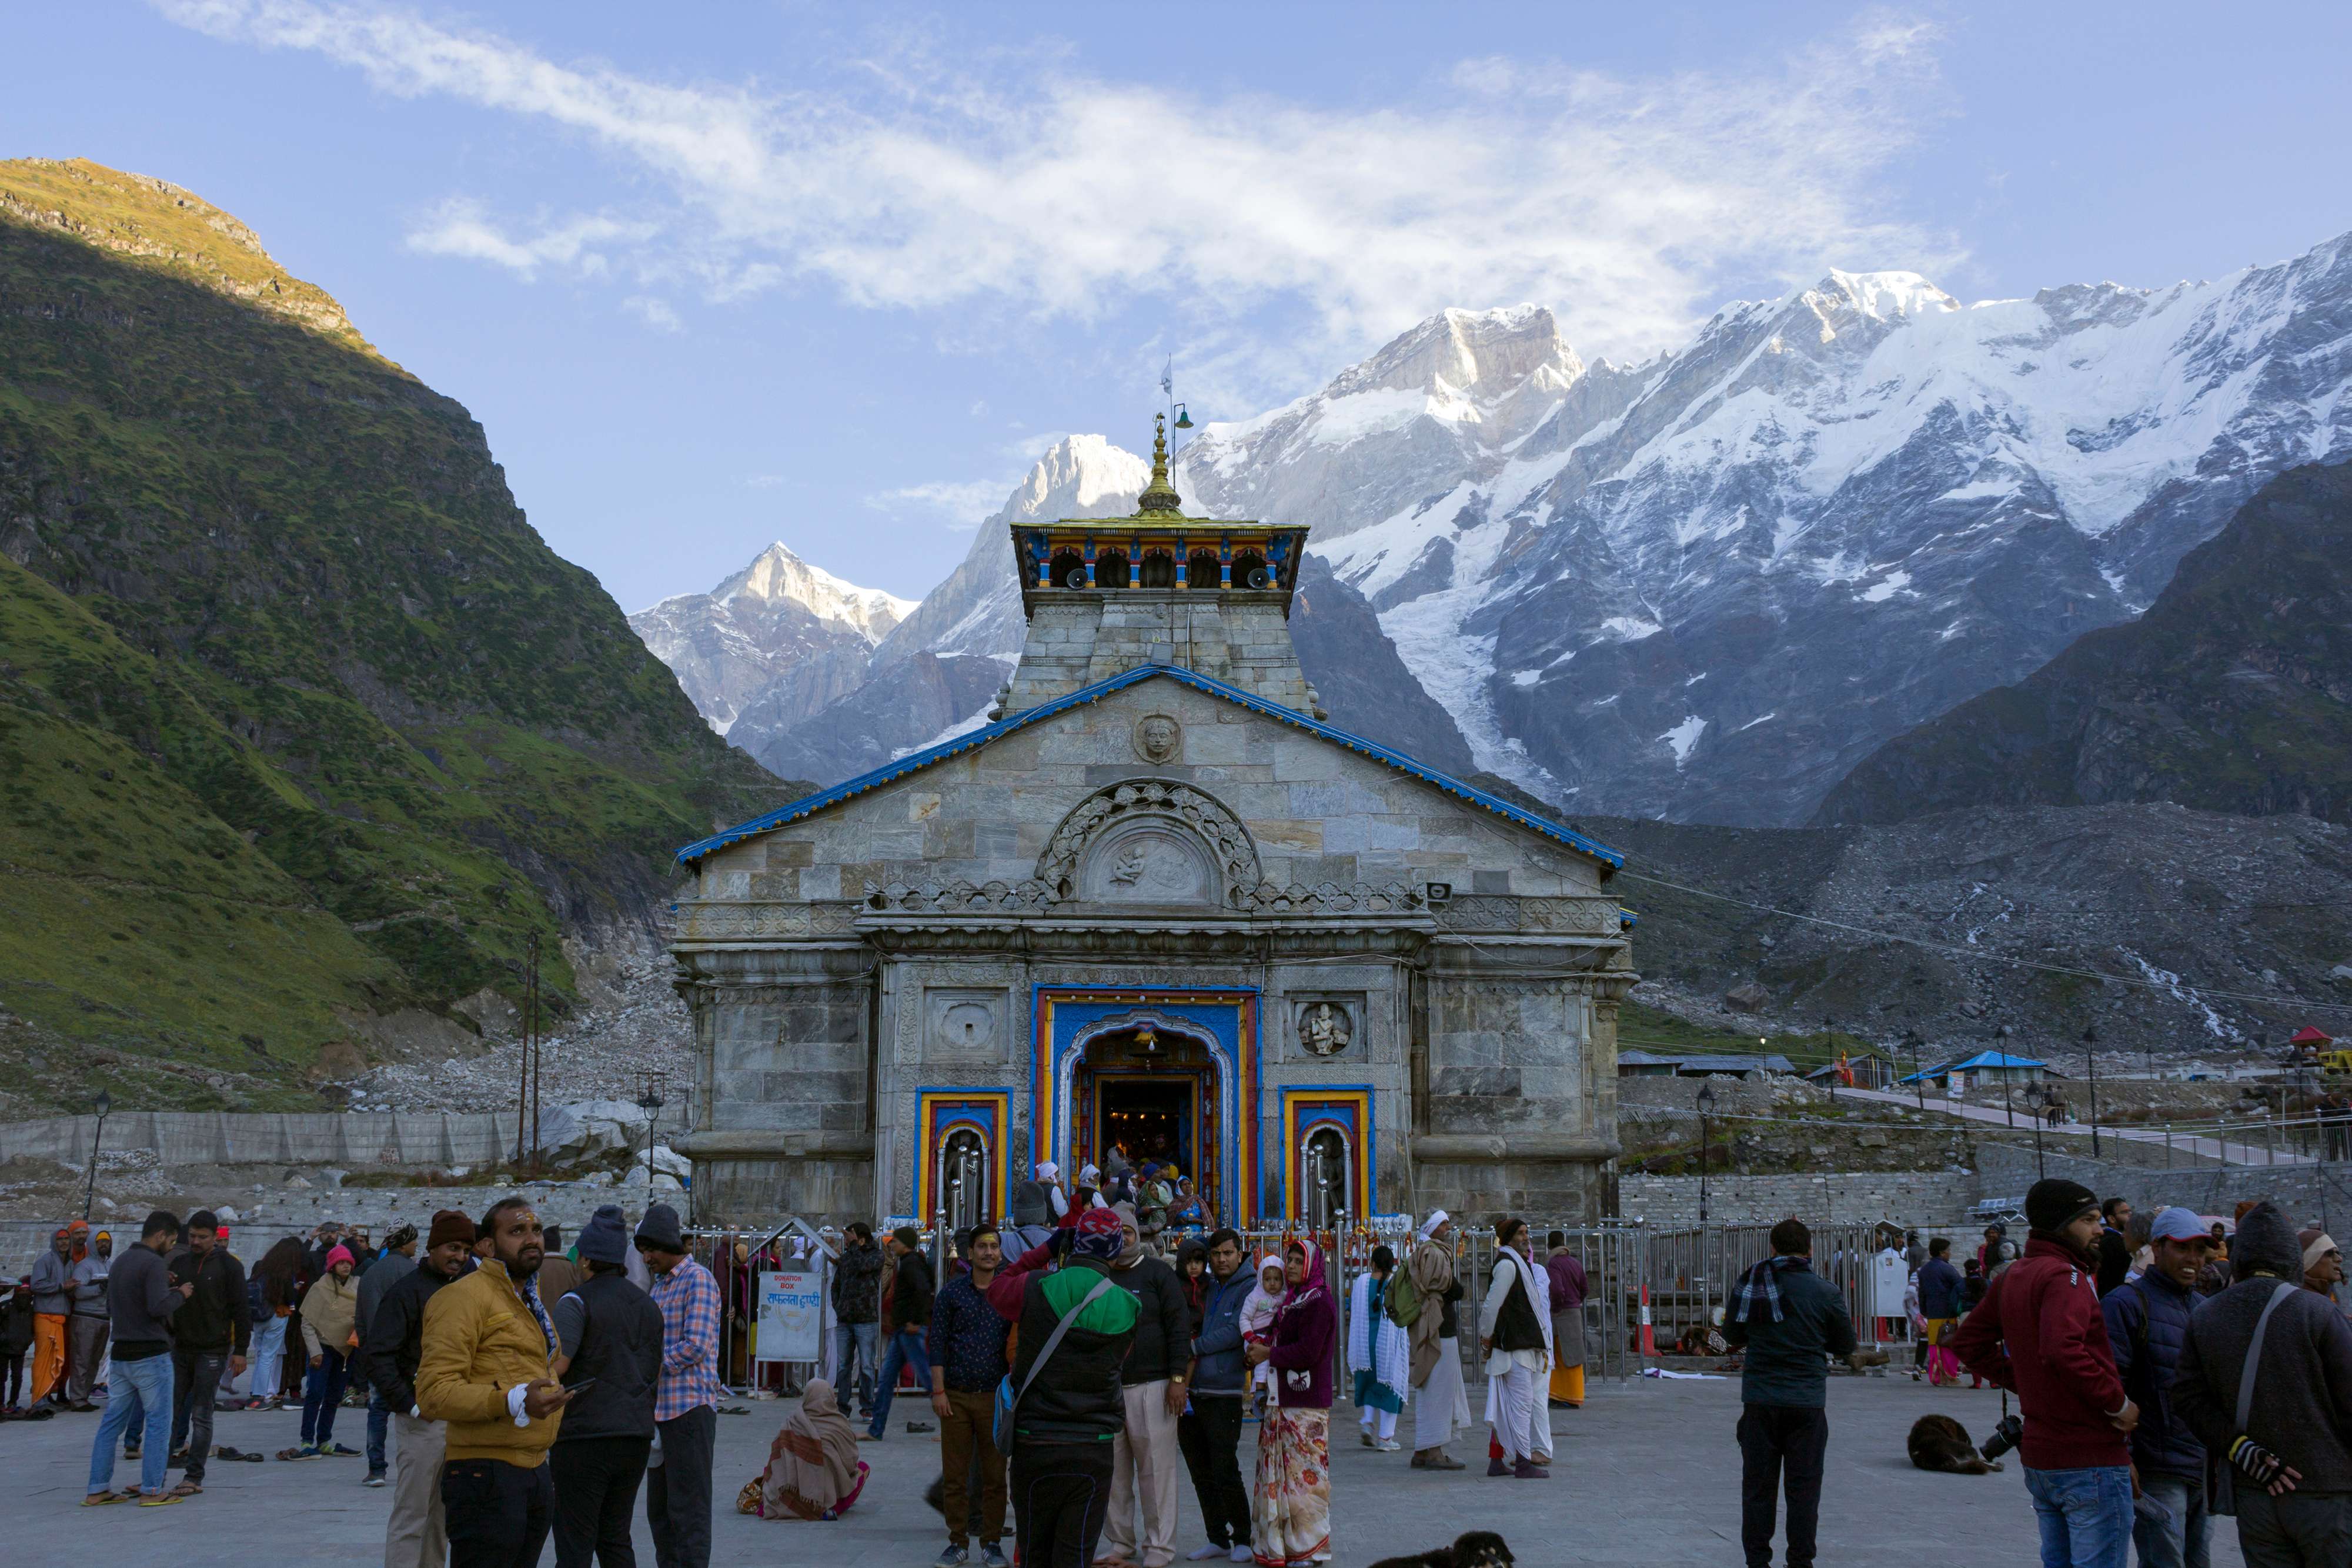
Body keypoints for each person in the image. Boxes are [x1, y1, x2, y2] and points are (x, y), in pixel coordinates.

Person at [1949, 1178, 2139, 1568]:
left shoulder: (2014, 1275)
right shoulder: (2064, 1276)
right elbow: (2061, 1347)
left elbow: (1968, 1343)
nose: (2099, 1229)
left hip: (2043, 1457)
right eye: (2088, 1219)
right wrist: (2117, 1401)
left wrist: (2029, 1380)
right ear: (2060, 1224)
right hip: (2088, 1455)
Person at [2173, 1200, 2352, 1566]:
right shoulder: (2318, 1312)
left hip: (2256, 1490)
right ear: (2291, 1257)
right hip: (2327, 1495)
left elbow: (2189, 1400)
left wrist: (2241, 1450)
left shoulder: (2205, 1315)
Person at [417, 1196, 576, 1566]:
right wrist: (513, 1400)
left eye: (536, 1230)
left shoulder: (527, 1298)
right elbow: (433, 1393)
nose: (532, 1239)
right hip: (485, 1475)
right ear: (487, 1245)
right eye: (517, 1231)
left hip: (534, 1469)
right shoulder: (461, 1298)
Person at [1007, 1205, 1139, 1568]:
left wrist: (1047, 1250)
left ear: (1074, 1244)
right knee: (1076, 1554)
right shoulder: (1129, 1306)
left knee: (1034, 1551)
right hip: (1092, 1444)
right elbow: (1119, 1358)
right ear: (1115, 1251)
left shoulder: (1037, 1287)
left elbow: (996, 1287)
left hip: (1035, 1439)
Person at [1722, 1217, 1858, 1568]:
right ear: (1810, 1250)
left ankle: (1757, 1561)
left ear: (1772, 1249)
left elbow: (1732, 1338)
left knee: (1757, 1490)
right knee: (1804, 1491)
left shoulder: (1751, 1283)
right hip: (1807, 1403)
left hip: (1761, 1400)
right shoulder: (1826, 1292)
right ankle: (1800, 1560)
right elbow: (1846, 1345)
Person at [2100, 1206, 2215, 1568]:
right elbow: (2109, 1387)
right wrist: (2123, 1457)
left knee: (2198, 1560)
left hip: (2202, 1465)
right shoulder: (2125, 1304)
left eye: (2200, 1250)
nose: (2193, 1260)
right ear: (2158, 1247)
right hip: (2155, 1467)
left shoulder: (2205, 1309)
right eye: (2183, 1248)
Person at [549, 1204, 664, 1568]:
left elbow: (560, 1366)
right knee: (615, 1537)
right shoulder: (648, 1306)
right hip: (634, 1435)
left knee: (575, 1540)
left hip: (584, 1435)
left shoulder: (575, 1302)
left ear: (584, 1261)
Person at [368, 1209, 474, 1568]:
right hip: (422, 1421)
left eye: (465, 1250)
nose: (459, 1257)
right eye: (452, 1247)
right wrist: (411, 1406)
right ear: (432, 1248)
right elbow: (379, 1356)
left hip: (460, 1421)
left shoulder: (469, 1290)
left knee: (442, 1517)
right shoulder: (406, 1292)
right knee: (412, 1514)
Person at [1103, 1202, 1192, 1568]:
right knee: (1113, 1473)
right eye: (1114, 1232)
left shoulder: (1158, 1274)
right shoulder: (1101, 1275)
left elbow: (1179, 1327)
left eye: (1126, 1231)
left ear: (1137, 1235)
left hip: (1154, 1387)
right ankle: (1120, 1542)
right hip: (1109, 1389)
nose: (1121, 1238)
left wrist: (1177, 1380)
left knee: (1156, 1472)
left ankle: (1159, 1547)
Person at [637, 1202, 724, 1568]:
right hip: (660, 1412)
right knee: (660, 1511)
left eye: (650, 1250)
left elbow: (697, 1344)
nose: (645, 1258)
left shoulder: (698, 1279)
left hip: (689, 1411)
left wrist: (652, 1367)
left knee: (689, 1510)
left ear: (666, 1245)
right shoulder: (658, 1288)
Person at [84, 1210, 191, 1506]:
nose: (171, 1246)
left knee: (111, 1423)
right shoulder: (153, 1263)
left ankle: (97, 1489)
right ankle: (153, 1490)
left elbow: (112, 1307)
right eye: (170, 1240)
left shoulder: (120, 1262)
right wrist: (181, 1294)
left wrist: (162, 1287)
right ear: (160, 1235)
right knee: (158, 1423)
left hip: (121, 1355)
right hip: (150, 1356)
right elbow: (158, 1308)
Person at [928, 1223, 1013, 1567]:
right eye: (982, 1247)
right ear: (970, 1253)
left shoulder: (1008, 1293)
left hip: (995, 1399)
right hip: (957, 1398)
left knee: (994, 1477)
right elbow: (937, 1344)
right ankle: (957, 1541)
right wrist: (938, 1391)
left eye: (994, 1246)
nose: (988, 1252)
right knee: (956, 1475)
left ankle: (991, 1542)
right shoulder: (952, 1294)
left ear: (1000, 1252)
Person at [1247, 1237, 1336, 1566]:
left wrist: (1269, 1353)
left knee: (1306, 1482)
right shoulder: (1291, 1301)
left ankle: (1311, 1549)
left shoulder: (1320, 1302)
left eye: (1300, 1260)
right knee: (1282, 1479)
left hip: (1306, 1403)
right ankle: (1283, 1545)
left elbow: (1309, 1352)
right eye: (1291, 1260)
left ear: (1313, 1265)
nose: (1295, 1265)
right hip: (1281, 1398)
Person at [1181, 1229, 1256, 1564]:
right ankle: (1216, 1537)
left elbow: (1237, 1331)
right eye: (1216, 1254)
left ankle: (1242, 1536)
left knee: (1225, 1467)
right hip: (1193, 1392)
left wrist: (1195, 1345)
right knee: (1199, 1470)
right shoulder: (1206, 1287)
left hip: (1224, 1391)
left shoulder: (1251, 1287)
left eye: (1228, 1253)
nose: (1222, 1260)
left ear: (1240, 1254)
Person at [163, 1209, 252, 1487]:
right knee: (169, 1414)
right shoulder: (180, 1263)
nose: (196, 1242)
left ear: (216, 1237)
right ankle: (156, 1477)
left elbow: (242, 1310)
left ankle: (193, 1476)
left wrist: (241, 1350)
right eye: (192, 1236)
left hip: (213, 1351)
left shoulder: (229, 1267)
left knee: (201, 1415)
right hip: (180, 1349)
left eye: (203, 1237)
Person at [1477, 1216, 1552, 1479]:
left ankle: (1496, 1461)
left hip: (1514, 1344)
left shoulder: (1516, 1264)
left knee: (1502, 1405)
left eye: (1527, 1232)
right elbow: (1491, 1305)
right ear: (1509, 1237)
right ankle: (1522, 1463)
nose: (1526, 1237)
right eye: (1521, 1233)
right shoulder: (1508, 1265)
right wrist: (1486, 1336)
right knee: (1521, 1406)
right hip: (1513, 1346)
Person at [1405, 1210, 1470, 1469]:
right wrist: (1458, 1288)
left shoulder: (1429, 1251)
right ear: (1432, 1228)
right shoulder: (1433, 1252)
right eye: (1443, 1224)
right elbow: (1444, 1285)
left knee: (1431, 1389)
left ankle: (1424, 1449)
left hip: (1435, 1326)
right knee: (1439, 1391)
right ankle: (1434, 1452)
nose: (1448, 1227)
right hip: (1439, 1329)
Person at [356, 1225, 420, 1485]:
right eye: (414, 1241)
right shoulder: (414, 1273)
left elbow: (360, 1317)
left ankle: (377, 1470)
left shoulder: (371, 1274)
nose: (417, 1245)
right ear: (404, 1244)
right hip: (411, 1356)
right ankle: (414, 1470)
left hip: (378, 1354)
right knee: (413, 1413)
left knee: (378, 1411)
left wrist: (367, 1348)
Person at [750, 1377, 867, 1520]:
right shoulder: (840, 1426)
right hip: (826, 1503)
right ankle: (825, 1504)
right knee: (863, 1469)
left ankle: (796, 1506)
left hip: (786, 1498)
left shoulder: (791, 1423)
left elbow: (774, 1463)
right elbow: (850, 1463)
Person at [289, 1241, 362, 1460]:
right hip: (322, 1349)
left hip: (346, 1350)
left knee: (333, 1397)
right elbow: (308, 1323)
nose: (345, 1266)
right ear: (332, 1266)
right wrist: (315, 1352)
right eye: (340, 1263)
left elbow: (362, 1315)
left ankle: (324, 1441)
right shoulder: (320, 1289)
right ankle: (306, 1441)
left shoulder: (358, 1286)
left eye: (348, 1262)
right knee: (315, 1394)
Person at [867, 1224, 937, 1440]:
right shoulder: (910, 1262)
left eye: (895, 1241)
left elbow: (923, 1291)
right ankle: (876, 1430)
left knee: (928, 1379)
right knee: (887, 1380)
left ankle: (956, 1426)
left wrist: (916, 1321)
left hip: (909, 1330)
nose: (892, 1244)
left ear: (904, 1243)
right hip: (903, 1330)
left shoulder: (911, 1264)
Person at [1346, 1245, 1408, 1449]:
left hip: (1365, 1344)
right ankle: (1385, 1437)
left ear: (1372, 1262)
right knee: (1390, 1388)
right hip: (1387, 1345)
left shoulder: (1362, 1280)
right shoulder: (1395, 1282)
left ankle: (1367, 1423)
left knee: (1370, 1385)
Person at [830, 1222, 884, 1418]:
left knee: (867, 1366)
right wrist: (838, 1306)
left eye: (848, 1238)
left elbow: (863, 1265)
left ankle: (867, 1406)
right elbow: (836, 1285)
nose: (845, 1242)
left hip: (866, 1319)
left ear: (859, 1238)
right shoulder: (846, 1258)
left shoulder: (876, 1255)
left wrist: (854, 1246)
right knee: (844, 1365)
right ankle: (843, 1406)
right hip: (845, 1319)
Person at [248, 1237, 305, 1411]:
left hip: (259, 1316)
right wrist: (295, 1291)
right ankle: (260, 1397)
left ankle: (255, 1394)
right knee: (268, 1356)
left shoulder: (261, 1267)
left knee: (260, 1355)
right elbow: (290, 1298)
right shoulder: (286, 1271)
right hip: (277, 1315)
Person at [66, 1225, 112, 1410]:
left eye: (106, 1241)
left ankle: (84, 1396)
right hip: (86, 1318)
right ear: (93, 1243)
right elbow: (77, 1292)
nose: (104, 1245)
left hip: (103, 1318)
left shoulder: (110, 1265)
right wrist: (98, 1288)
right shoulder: (84, 1266)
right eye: (100, 1241)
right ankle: (77, 1399)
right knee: (81, 1360)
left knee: (94, 1361)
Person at [29, 1225, 73, 1412]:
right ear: (54, 1242)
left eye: (66, 1239)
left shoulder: (70, 1263)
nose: (64, 1242)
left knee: (54, 1361)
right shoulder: (44, 1261)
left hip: (60, 1319)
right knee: (42, 1360)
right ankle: (38, 1398)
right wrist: (61, 1287)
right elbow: (36, 1285)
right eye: (60, 1239)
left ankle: (46, 1395)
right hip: (45, 1317)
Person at [1544, 1233, 1588, 1410]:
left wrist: (1555, 1307)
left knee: (1561, 1356)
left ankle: (1564, 1395)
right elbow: (1585, 1288)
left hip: (1561, 1313)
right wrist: (1576, 1301)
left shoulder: (1553, 1264)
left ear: (1549, 1245)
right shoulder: (1575, 1263)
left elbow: (1557, 1289)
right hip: (1574, 1311)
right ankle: (1574, 1393)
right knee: (1574, 1355)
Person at [1916, 1238, 1965, 1386]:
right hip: (1947, 1313)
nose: (1950, 1254)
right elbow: (1960, 1286)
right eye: (1949, 1251)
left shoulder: (1924, 1270)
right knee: (1947, 1344)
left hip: (1932, 1312)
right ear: (1942, 1253)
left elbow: (1922, 1293)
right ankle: (1950, 1376)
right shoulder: (1947, 1269)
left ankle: (1936, 1377)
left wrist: (1924, 1310)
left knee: (1934, 1344)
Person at [3, 1273, 35, 1415]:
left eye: (26, 1292)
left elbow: (34, 1330)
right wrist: (4, 1338)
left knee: (17, 1377)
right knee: (1, 1377)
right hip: (3, 1348)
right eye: (21, 1291)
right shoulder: (5, 1307)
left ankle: (13, 1402)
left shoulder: (32, 1311)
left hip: (20, 1349)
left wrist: (27, 1340)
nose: (24, 1294)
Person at [2095, 1199, 2134, 1298]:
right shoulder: (2111, 1242)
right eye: (2124, 1212)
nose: (2130, 1215)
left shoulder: (2118, 1239)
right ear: (2112, 1219)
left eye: (2130, 1211)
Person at [2302, 1229, 2345, 1299]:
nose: (2340, 1259)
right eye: (2330, 1254)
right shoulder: (2304, 1301)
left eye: (2337, 1253)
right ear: (2309, 1261)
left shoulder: (2327, 1292)